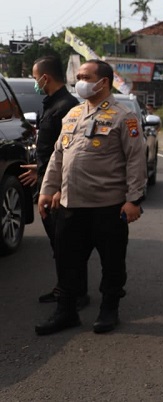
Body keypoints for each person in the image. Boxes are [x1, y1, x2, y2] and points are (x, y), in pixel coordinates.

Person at [35, 59, 147, 336]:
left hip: (107, 206)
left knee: (112, 262)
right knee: (66, 260)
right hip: (71, 205)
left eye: (85, 76)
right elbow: (58, 156)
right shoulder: (72, 114)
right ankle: (66, 311)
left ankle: (109, 309)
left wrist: (134, 200)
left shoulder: (124, 116)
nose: (79, 80)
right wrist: (47, 190)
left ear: (103, 82)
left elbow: (135, 160)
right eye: (78, 76)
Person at [19, 56, 86, 308]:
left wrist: (57, 187)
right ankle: (65, 288)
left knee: (67, 245)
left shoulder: (67, 107)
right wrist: (40, 169)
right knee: (59, 245)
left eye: (35, 76)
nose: (35, 81)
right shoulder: (52, 104)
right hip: (49, 182)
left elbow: (71, 153)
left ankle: (75, 294)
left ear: (45, 77)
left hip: (60, 190)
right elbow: (54, 150)